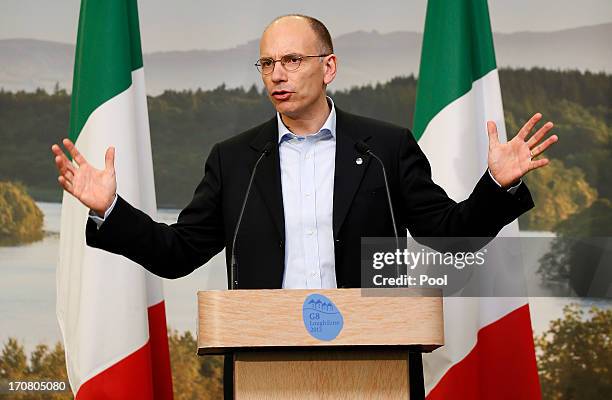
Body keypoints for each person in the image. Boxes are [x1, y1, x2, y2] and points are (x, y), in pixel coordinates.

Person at [51, 14, 557, 398]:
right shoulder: (233, 161)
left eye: (292, 61)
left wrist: (497, 184)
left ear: (328, 66)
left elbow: (449, 235)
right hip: (262, 372)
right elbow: (177, 252)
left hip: (377, 368)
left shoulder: (386, 148)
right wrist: (110, 208)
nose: (278, 75)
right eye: (267, 63)